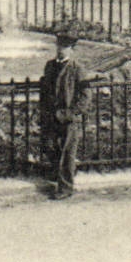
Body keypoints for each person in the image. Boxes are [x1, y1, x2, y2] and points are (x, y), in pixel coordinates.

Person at [38, 32, 87, 200]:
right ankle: (66, 171)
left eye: (65, 47)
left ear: (72, 49)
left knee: (67, 152)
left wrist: (71, 113)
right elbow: (44, 90)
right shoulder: (50, 65)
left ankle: (65, 188)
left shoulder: (77, 68)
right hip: (51, 116)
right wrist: (43, 111)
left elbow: (85, 95)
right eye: (59, 46)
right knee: (49, 146)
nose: (60, 50)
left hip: (68, 118)